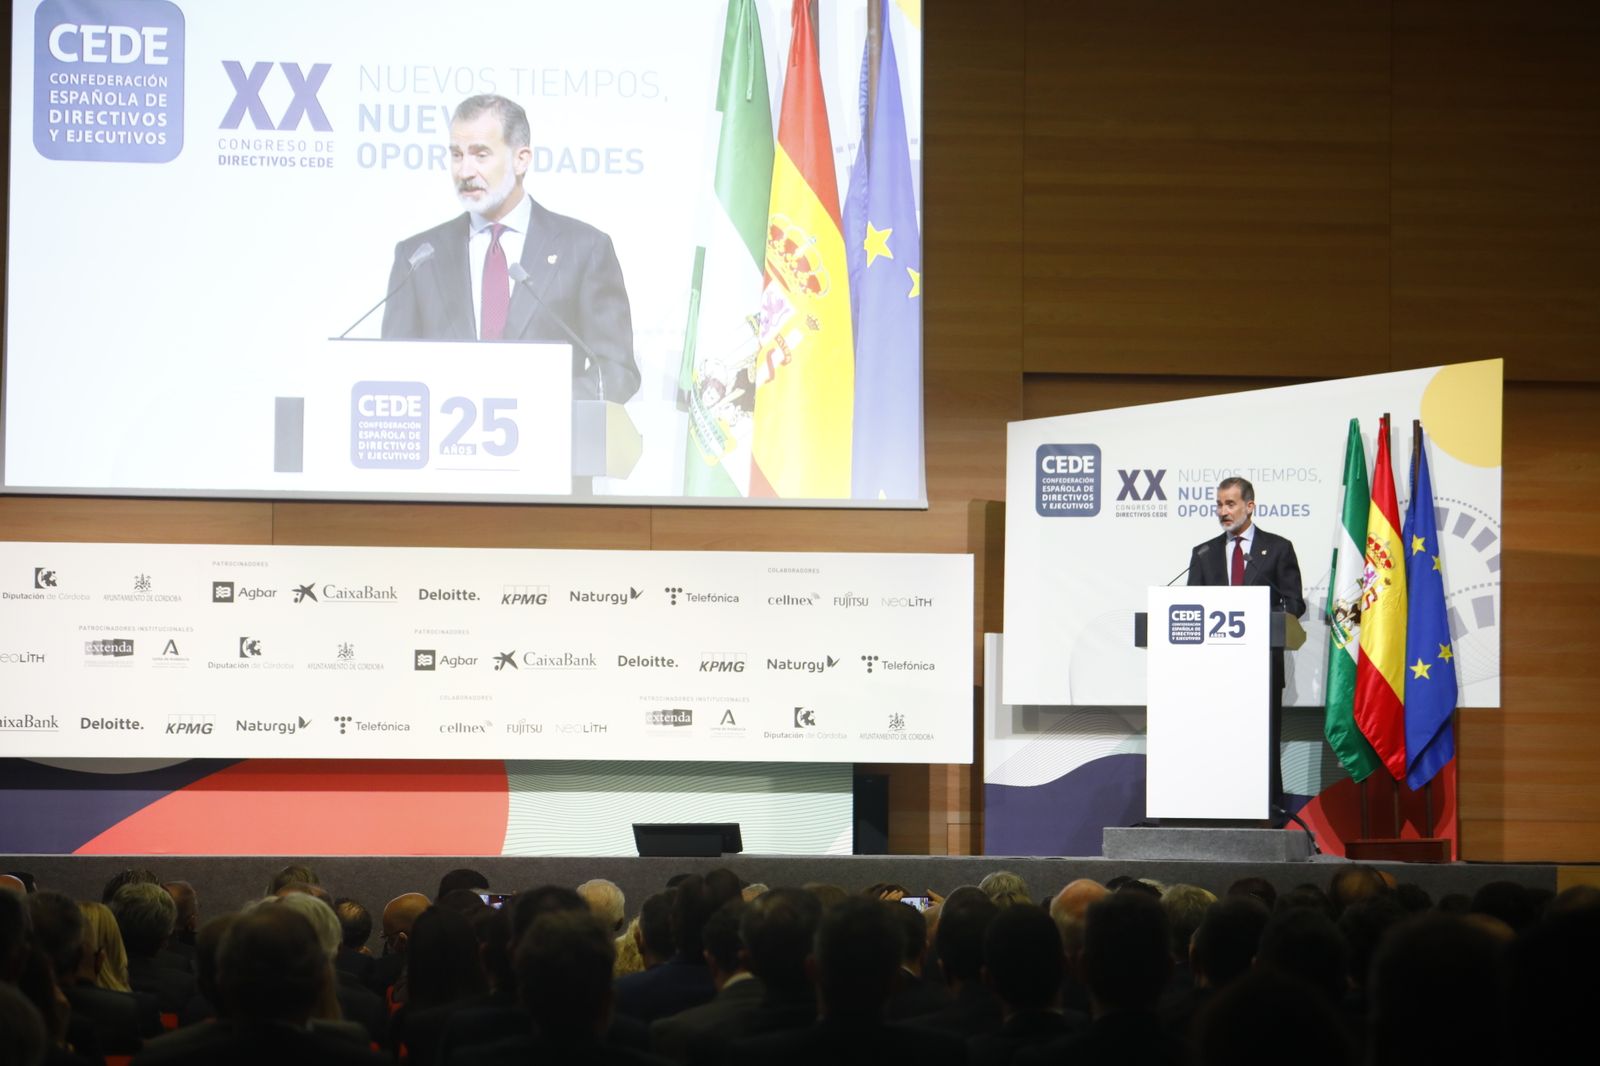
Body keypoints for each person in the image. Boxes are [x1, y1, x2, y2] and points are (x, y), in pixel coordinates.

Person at [381, 94, 639, 404]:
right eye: (456, 155)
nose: (464, 171)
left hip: (546, 444)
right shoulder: (419, 257)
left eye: (480, 154)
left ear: (521, 159)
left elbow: (616, 371)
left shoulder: (584, 249)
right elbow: (391, 371)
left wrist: (537, 404)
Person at [1187, 476, 1306, 814]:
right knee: (1218, 742)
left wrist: (1260, 616)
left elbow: (1294, 603)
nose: (1223, 511)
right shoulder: (1204, 552)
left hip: (1262, 668)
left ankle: (1269, 811)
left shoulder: (1278, 548)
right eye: (1219, 504)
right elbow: (1191, 607)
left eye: (1230, 504)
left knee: (1262, 744)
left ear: (1249, 506)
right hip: (1216, 670)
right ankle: (1215, 807)